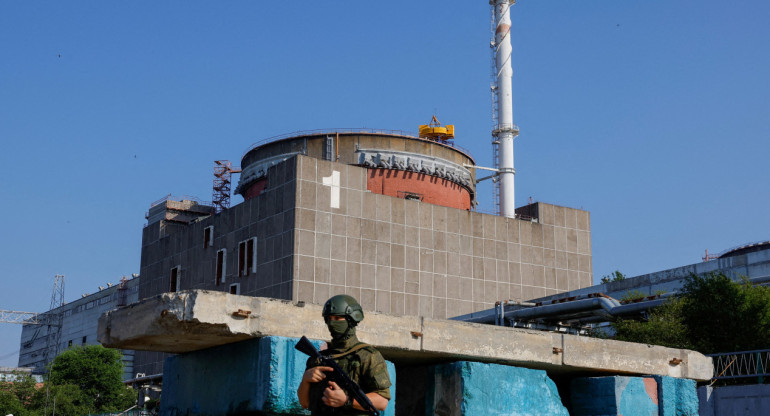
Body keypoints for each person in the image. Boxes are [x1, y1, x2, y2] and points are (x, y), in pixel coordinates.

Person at [297, 295, 391, 415]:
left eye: (337, 318)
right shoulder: (317, 360)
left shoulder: (367, 355)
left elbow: (382, 402)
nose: (332, 323)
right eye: (329, 318)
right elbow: (304, 403)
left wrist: (347, 400)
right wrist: (305, 380)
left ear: (351, 320)